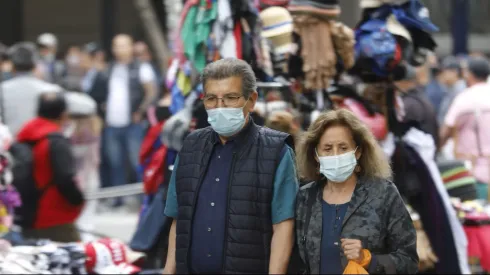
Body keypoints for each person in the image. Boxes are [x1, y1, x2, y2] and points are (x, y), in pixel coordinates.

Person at [163, 58, 298, 274]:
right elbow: (179, 218)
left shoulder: (276, 151)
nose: (219, 107)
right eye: (211, 99)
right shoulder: (190, 146)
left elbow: (283, 225)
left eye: (230, 98)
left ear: (251, 101)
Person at [294, 109, 418, 274]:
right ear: (316, 154)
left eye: (343, 147)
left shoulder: (383, 194)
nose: (335, 155)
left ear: (358, 152)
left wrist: (368, 260)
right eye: (327, 148)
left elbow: (409, 262)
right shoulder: (305, 197)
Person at [91, 34, 157, 207]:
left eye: (123, 45)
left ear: (131, 47)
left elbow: (151, 92)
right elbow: (98, 94)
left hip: (132, 123)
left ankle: (142, 198)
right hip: (112, 123)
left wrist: (140, 111)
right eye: (116, 46)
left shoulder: (141, 67)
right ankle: (117, 198)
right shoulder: (108, 69)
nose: (120, 49)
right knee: (115, 162)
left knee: (137, 161)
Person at [17, 92, 85, 242]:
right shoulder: (56, 141)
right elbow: (65, 179)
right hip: (54, 216)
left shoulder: (24, 136)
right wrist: (79, 200)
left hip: (26, 214)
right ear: (64, 115)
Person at [440, 56, 490, 200]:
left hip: (472, 170)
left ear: (469, 74)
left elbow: (445, 131)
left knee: (477, 215)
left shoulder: (464, 98)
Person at [0, 42, 62, 135]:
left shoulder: (2, 89)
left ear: (12, 66)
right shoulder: (53, 90)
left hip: (10, 144)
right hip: (43, 145)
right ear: (35, 65)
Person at [438, 56, 466, 124]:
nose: (440, 75)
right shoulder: (450, 88)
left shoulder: (461, 90)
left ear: (454, 72)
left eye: (443, 72)